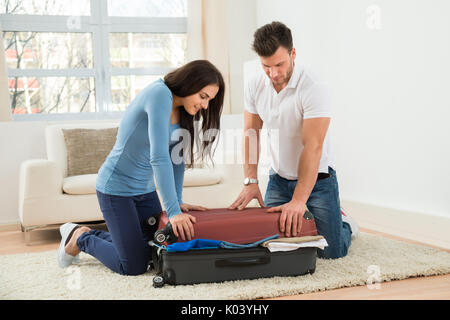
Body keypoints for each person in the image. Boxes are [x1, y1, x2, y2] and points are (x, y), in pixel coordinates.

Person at [58, 60, 225, 275]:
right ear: (189, 83)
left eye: (209, 100)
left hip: (144, 192)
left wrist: (178, 202)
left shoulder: (183, 110)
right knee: (133, 266)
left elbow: (176, 161)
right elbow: (159, 157)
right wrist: (172, 212)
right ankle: (81, 238)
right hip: (116, 190)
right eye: (203, 96)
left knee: (156, 247)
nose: (205, 105)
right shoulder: (159, 94)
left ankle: (86, 234)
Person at [228, 21, 359, 259]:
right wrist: (250, 181)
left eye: (280, 64)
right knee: (272, 245)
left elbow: (313, 145)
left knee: (330, 252)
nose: (274, 73)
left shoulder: (314, 86)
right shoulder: (255, 84)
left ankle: (345, 223)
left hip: (318, 179)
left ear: (293, 53)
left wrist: (299, 200)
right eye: (266, 66)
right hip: (279, 179)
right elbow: (251, 133)